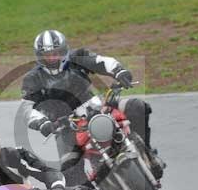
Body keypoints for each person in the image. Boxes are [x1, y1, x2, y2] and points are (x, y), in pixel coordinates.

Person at [21, 29, 165, 180]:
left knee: (137, 106)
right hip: (64, 126)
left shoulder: (77, 57)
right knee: (69, 171)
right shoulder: (32, 79)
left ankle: (147, 155)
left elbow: (101, 61)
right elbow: (27, 108)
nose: (52, 58)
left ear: (64, 50)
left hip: (96, 108)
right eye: (47, 55)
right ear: (39, 56)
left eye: (56, 53)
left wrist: (119, 71)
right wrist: (42, 123)